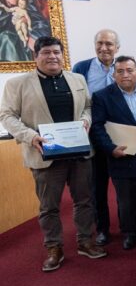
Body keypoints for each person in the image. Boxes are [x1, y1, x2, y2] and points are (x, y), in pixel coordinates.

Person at [0, 36, 107, 271]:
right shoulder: (18, 84)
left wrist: (85, 121)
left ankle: (86, 241)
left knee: (85, 200)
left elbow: (88, 107)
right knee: (49, 206)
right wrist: (30, 136)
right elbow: (6, 115)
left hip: (78, 152)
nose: (52, 57)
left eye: (56, 52)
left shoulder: (76, 78)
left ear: (62, 55)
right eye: (46, 52)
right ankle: (54, 247)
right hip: (44, 154)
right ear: (35, 56)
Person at [91, 55, 136, 250]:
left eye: (130, 70)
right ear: (114, 75)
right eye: (120, 71)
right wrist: (110, 148)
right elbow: (97, 127)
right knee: (125, 199)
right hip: (120, 156)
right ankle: (129, 232)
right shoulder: (102, 96)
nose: (125, 75)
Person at [72, 29, 120, 246]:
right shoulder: (81, 69)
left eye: (109, 44)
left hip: (119, 136)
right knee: (97, 187)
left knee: (125, 186)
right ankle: (102, 229)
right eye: (100, 43)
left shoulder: (124, 67)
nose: (104, 48)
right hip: (93, 137)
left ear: (117, 48)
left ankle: (131, 226)